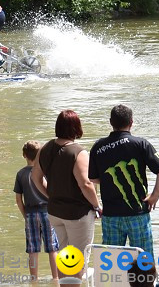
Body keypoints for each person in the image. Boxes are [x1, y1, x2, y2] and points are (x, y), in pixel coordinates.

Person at [88, 104, 159, 254]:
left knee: (111, 263)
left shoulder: (98, 147)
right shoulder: (141, 144)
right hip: (137, 212)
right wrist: (155, 195)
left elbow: (93, 179)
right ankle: (144, 279)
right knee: (143, 260)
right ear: (131, 122)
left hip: (111, 215)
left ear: (110, 122)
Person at [31, 110, 101, 257]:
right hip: (77, 213)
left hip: (55, 212)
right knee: (79, 259)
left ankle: (64, 280)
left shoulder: (44, 148)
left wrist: (50, 195)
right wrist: (96, 205)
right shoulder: (78, 152)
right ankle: (76, 280)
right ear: (76, 127)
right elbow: (85, 184)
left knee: (65, 257)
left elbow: (35, 178)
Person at [13, 141, 60, 284]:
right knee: (52, 248)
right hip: (47, 212)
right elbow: (52, 192)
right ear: (40, 155)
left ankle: (34, 280)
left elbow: (18, 199)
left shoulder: (21, 174)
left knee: (33, 249)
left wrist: (25, 215)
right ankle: (56, 278)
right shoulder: (45, 171)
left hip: (31, 214)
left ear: (24, 155)